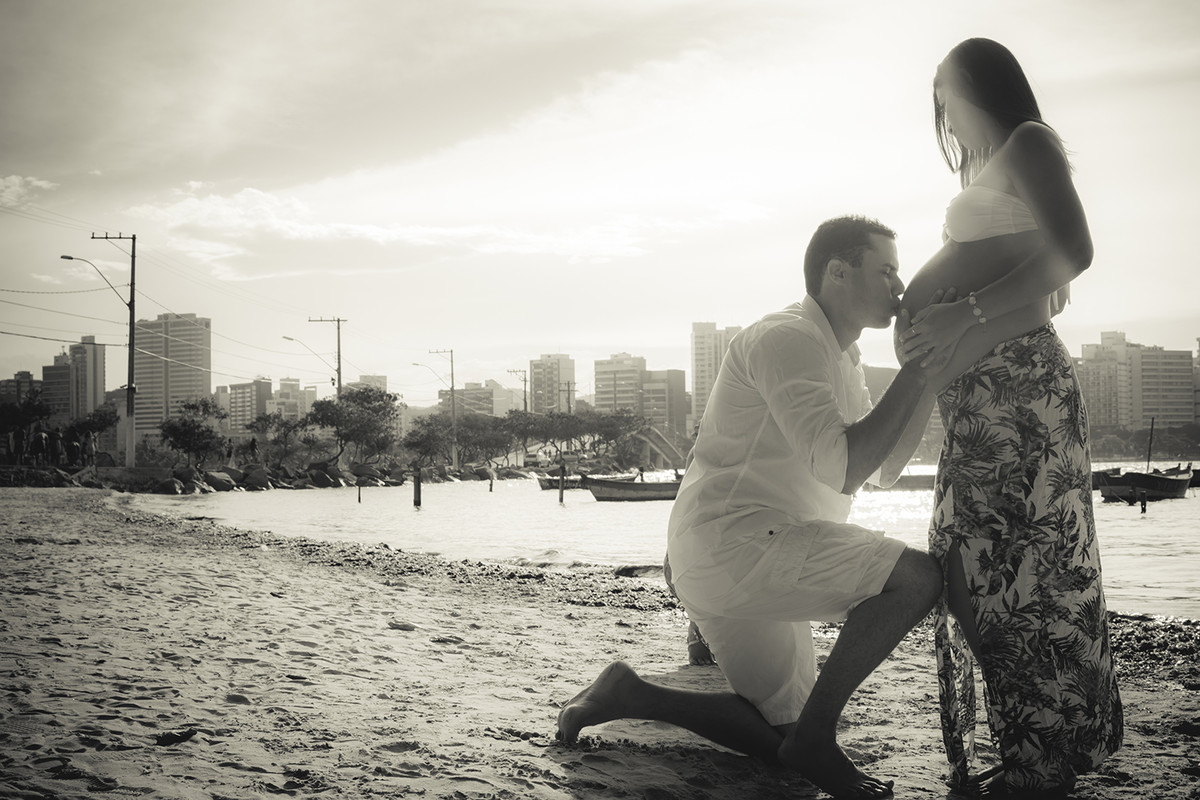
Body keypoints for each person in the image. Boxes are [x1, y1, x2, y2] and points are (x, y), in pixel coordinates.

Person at [558, 216, 949, 800]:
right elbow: (843, 467)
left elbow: (884, 468)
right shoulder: (787, 338)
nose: (900, 286)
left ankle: (628, 693)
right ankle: (818, 735)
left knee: (781, 742)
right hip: (736, 542)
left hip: (756, 551)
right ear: (837, 273)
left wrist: (927, 376)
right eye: (886, 270)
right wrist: (915, 370)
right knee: (917, 579)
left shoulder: (843, 357)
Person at [897, 38, 1122, 797]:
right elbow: (1021, 266)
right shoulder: (986, 169)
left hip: (1022, 391)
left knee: (1034, 573)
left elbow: (1073, 251)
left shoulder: (1029, 142)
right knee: (973, 566)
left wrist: (963, 310)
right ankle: (1033, 747)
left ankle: (1041, 762)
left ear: (977, 84)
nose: (942, 112)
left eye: (946, 93)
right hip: (978, 397)